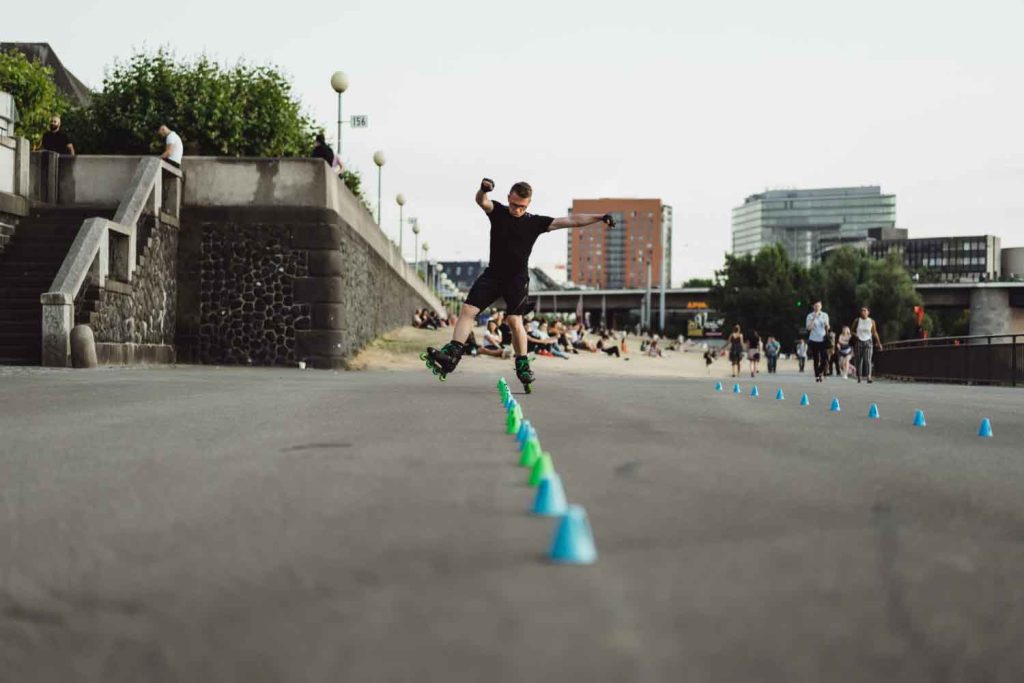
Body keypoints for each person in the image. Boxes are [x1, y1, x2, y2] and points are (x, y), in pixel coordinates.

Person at [422, 179, 615, 388]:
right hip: (493, 274)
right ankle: (452, 355)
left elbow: (572, 221)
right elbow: (482, 201)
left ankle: (522, 364)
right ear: (508, 198)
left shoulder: (535, 222)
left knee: (515, 321)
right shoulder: (498, 212)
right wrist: (483, 190)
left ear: (529, 203)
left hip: (517, 279)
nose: (516, 210)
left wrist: (599, 217)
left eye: (522, 206)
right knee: (468, 309)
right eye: (514, 204)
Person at [852, 306, 883, 384]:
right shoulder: (857, 320)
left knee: (868, 359)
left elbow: (874, 332)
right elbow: (852, 330)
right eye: (862, 310)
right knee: (859, 360)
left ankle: (869, 376)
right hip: (859, 341)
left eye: (865, 311)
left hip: (868, 341)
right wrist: (856, 335)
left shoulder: (871, 321)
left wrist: (879, 343)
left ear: (868, 312)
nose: (863, 312)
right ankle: (859, 376)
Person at [806, 301, 830, 382]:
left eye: (818, 306)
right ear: (813, 307)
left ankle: (820, 372)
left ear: (821, 307)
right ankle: (817, 375)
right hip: (813, 339)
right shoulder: (810, 316)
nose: (817, 307)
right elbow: (809, 328)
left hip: (823, 339)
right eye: (815, 306)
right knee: (816, 358)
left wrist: (827, 325)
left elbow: (828, 327)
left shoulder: (825, 315)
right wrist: (814, 318)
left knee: (825, 358)